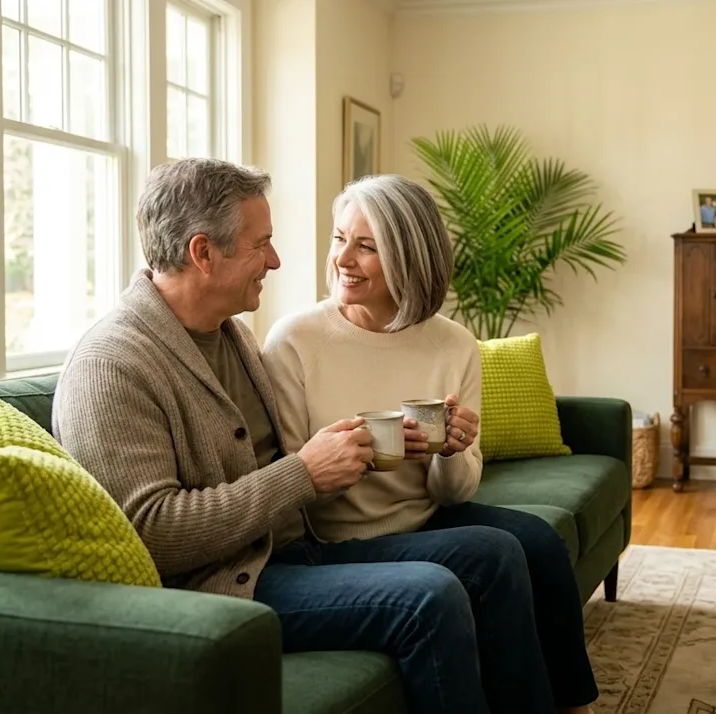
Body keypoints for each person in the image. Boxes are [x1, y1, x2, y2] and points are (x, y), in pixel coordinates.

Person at [52, 158, 537, 714]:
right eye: (261, 244)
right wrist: (304, 472)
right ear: (203, 253)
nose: (276, 260)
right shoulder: (111, 366)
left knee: (493, 553)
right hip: (228, 581)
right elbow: (151, 533)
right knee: (429, 597)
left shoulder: (231, 336)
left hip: (294, 550)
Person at [261, 174, 600, 714]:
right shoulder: (294, 342)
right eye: (339, 238)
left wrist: (451, 451)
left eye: (366, 246)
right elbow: (299, 490)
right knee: (493, 553)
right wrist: (359, 457)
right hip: (334, 536)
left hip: (426, 517)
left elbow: (455, 494)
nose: (342, 258)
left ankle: (573, 705)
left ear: (409, 258)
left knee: (539, 540)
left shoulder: (453, 344)